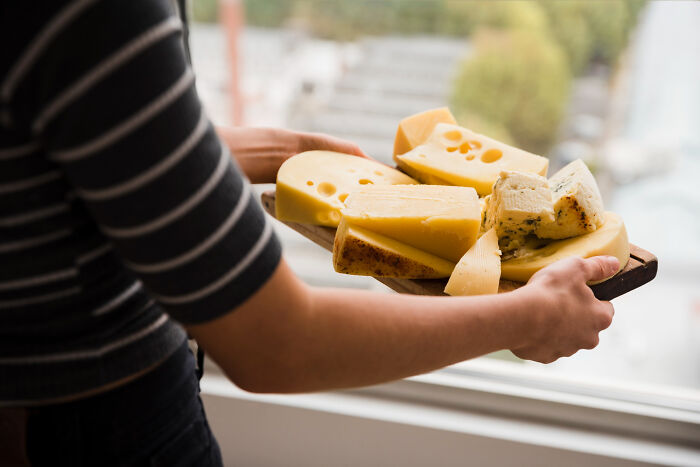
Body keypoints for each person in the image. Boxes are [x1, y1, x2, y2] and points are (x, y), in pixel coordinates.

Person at [0, 1, 617, 465]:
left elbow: (84, 147)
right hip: (87, 427)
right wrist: (524, 318)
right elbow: (278, 343)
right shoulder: (98, 13)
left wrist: (287, 149)